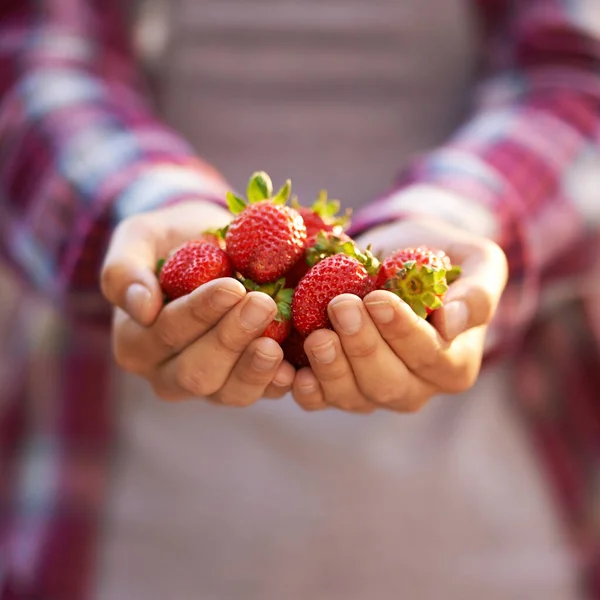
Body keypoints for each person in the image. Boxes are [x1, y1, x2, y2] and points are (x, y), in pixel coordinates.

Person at [1, 0, 599, 599]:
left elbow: (578, 76)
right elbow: (35, 64)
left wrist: (458, 219)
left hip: (499, 523)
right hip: (133, 525)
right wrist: (147, 206)